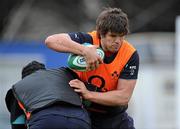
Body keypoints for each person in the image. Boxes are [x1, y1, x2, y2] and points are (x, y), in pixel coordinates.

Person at [45, 7, 139, 129]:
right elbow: (51, 41)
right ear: (101, 34)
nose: (118, 41)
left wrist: (88, 94)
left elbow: (123, 97)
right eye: (113, 36)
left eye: (121, 36)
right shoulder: (88, 40)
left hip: (113, 116)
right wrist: (84, 50)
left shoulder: (130, 54)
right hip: (82, 112)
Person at [5, 61, 91, 129]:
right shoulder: (62, 75)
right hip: (80, 120)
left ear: (25, 78)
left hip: (45, 121)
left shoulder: (19, 88)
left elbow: (17, 124)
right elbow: (88, 103)